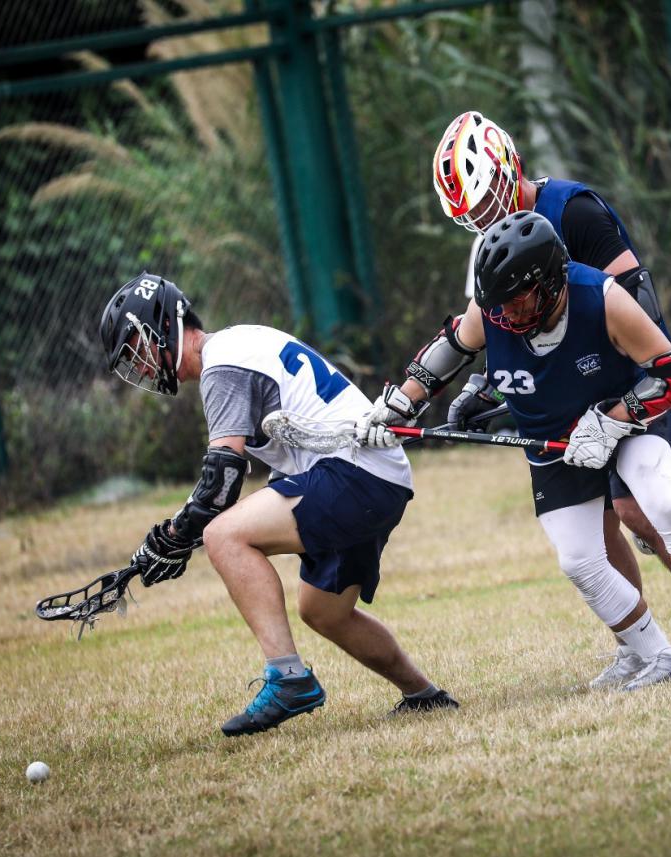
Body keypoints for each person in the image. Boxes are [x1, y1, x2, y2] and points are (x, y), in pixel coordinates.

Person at [431, 111, 671, 681]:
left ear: (510, 168)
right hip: (568, 391)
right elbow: (493, 326)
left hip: (630, 375)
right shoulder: (490, 243)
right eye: (472, 215)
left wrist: (615, 406)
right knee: (595, 531)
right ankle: (641, 648)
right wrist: (485, 384)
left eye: (487, 202)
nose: (485, 219)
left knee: (640, 505)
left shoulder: (574, 211)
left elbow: (633, 299)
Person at [358, 211, 671, 688]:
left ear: (549, 283)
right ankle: (659, 659)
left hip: (627, 418)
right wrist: (400, 405)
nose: (504, 315)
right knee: (578, 560)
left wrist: (611, 421)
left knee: (663, 504)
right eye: (495, 304)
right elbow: (449, 351)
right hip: (554, 437)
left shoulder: (603, 300)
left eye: (515, 301)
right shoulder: (493, 310)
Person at [98, 272, 458, 737]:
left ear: (164, 325)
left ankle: (289, 679)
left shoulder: (221, 365)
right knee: (324, 612)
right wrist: (177, 536)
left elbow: (222, 481)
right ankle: (423, 695)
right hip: (378, 478)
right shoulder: (236, 346)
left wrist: (172, 536)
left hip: (356, 475)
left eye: (136, 349)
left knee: (223, 536)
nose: (140, 366)